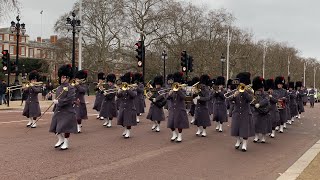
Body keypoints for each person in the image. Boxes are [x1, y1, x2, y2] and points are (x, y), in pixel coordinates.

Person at [49, 64, 77, 150]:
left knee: (65, 128)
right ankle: (60, 139)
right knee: (54, 127)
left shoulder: (71, 88)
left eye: (64, 77)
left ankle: (66, 142)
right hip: (58, 110)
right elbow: (57, 97)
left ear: (68, 78)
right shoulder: (58, 88)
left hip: (67, 111)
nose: (62, 79)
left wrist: (59, 102)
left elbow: (70, 99)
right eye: (61, 77)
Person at [228, 72, 254, 152]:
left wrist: (243, 92)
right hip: (236, 112)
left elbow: (250, 99)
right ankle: (238, 140)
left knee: (244, 129)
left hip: (245, 112)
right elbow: (228, 99)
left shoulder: (249, 90)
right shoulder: (235, 90)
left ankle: (244, 144)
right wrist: (234, 96)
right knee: (236, 128)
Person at [167, 72, 189, 142]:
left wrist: (179, 90)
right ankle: (174, 134)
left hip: (180, 108)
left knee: (179, 123)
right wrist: (169, 94)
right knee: (170, 123)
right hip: (172, 108)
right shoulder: (171, 89)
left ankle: (180, 135)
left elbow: (184, 97)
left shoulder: (182, 89)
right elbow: (167, 98)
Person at [117, 72, 137, 138]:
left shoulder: (133, 88)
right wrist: (119, 91)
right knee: (122, 119)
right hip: (123, 106)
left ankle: (128, 131)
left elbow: (134, 95)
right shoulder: (122, 88)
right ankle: (125, 129)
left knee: (128, 120)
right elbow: (118, 96)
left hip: (129, 106)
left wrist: (128, 89)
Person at [251, 76, 271, 143]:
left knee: (263, 125)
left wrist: (260, 104)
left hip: (263, 110)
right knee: (256, 124)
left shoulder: (264, 92)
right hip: (256, 111)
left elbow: (266, 99)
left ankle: (263, 137)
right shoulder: (253, 92)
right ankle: (256, 137)